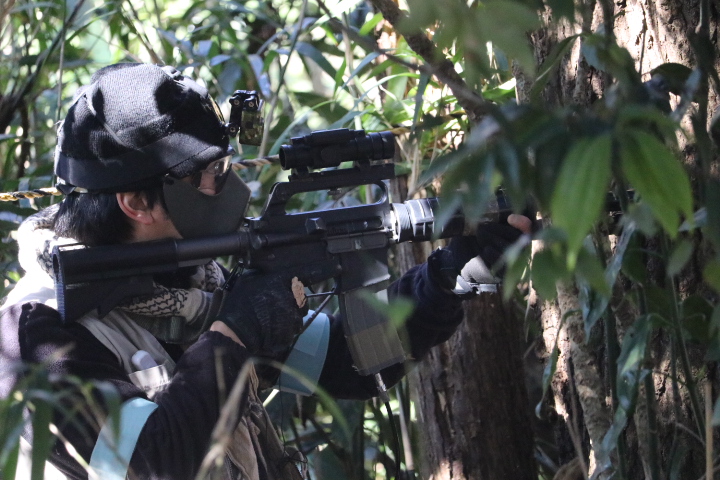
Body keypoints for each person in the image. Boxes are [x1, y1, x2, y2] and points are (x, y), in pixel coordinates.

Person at [0, 63, 531, 480]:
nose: (230, 188)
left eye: (226, 165)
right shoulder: (35, 337)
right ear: (137, 202)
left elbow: (353, 360)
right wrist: (232, 338)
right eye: (210, 174)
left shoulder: (190, 285)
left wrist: (451, 274)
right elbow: (157, 464)